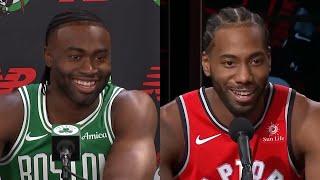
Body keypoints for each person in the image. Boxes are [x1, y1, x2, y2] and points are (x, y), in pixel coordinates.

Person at [161, 6, 320, 180]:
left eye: (255, 61)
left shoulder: (305, 118)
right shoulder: (171, 126)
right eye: (229, 63)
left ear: (269, 60)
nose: (244, 77)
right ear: (206, 64)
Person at [0, 9, 157, 180]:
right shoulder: (10, 111)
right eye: (75, 57)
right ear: (49, 56)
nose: (89, 69)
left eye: (100, 58)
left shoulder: (130, 108)